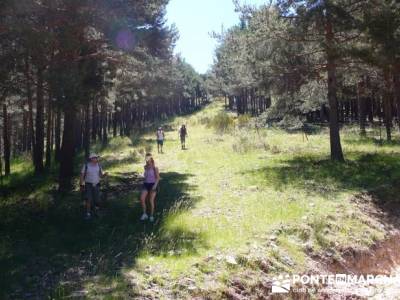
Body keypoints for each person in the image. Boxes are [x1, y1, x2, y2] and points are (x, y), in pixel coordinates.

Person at [80, 153, 107, 220]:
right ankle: (88, 214)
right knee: (88, 199)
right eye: (95, 158)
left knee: (97, 199)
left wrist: (104, 175)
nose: (96, 159)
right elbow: (82, 175)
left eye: (97, 157)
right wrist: (81, 184)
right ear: (91, 159)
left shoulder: (99, 166)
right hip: (88, 184)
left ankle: (97, 212)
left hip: (97, 184)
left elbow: (101, 176)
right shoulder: (86, 166)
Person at [140, 153, 160, 222]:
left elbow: (157, 178)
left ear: (151, 158)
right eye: (146, 158)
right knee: (142, 199)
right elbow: (145, 176)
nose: (147, 160)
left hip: (153, 184)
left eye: (148, 158)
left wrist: (155, 186)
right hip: (146, 184)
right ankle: (144, 214)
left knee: (151, 200)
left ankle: (151, 215)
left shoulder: (155, 167)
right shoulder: (145, 167)